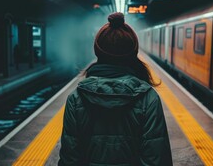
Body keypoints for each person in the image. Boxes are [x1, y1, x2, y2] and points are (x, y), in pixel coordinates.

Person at [58, 12, 173, 165]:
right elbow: (156, 158)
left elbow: (70, 158)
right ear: (133, 52)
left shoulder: (76, 98)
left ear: (97, 51)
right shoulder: (148, 99)